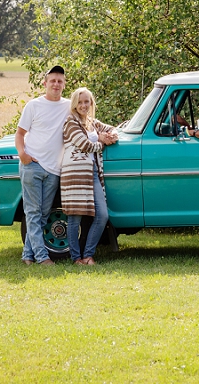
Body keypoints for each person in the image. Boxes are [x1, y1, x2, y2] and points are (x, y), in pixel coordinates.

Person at [15, 65, 71, 265]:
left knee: (43, 214)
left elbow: (87, 119)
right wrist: (22, 154)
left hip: (54, 170)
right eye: (53, 80)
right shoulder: (33, 106)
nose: (56, 84)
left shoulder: (68, 106)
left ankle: (27, 255)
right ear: (45, 83)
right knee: (32, 212)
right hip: (33, 166)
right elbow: (20, 134)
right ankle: (42, 257)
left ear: (64, 84)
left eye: (60, 81)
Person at [61, 88, 118, 266]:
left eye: (87, 102)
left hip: (92, 173)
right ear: (74, 104)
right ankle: (76, 258)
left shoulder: (91, 123)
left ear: (91, 103)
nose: (84, 105)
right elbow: (85, 145)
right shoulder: (70, 122)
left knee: (102, 215)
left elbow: (112, 129)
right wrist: (102, 142)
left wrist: (111, 135)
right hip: (75, 174)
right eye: (80, 102)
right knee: (75, 217)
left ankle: (88, 255)